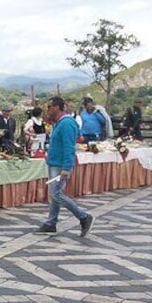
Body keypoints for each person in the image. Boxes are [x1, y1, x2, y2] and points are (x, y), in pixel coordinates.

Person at [37, 96, 94, 236]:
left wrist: (67, 168)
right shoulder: (59, 123)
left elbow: (69, 147)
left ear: (57, 107)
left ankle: (83, 216)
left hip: (60, 164)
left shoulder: (67, 123)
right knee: (55, 195)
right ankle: (51, 222)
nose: (47, 110)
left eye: (49, 107)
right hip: (54, 162)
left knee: (56, 193)